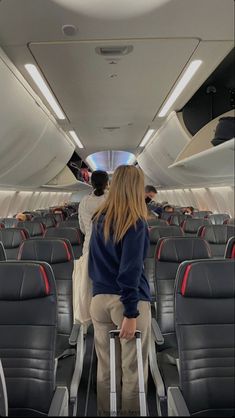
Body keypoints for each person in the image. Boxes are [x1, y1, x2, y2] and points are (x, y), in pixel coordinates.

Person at [89, 165, 151, 416]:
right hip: (125, 304)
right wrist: (131, 312)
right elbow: (130, 271)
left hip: (99, 301)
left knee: (105, 367)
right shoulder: (135, 222)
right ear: (136, 188)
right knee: (133, 369)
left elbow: (93, 263)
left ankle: (106, 412)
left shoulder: (98, 219)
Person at [79, 170, 109, 254]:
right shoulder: (113, 199)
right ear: (107, 183)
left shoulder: (84, 201)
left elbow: (82, 227)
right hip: (109, 246)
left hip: (89, 245)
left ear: (91, 183)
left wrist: (89, 231)